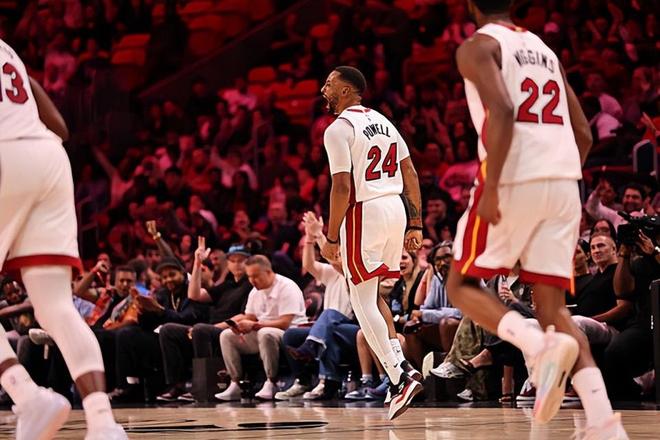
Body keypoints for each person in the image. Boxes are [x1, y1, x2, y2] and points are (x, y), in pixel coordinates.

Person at [445, 2, 627, 438]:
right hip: (564, 181)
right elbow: (583, 133)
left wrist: (493, 187)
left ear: (470, 4)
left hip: (514, 175)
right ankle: (604, 423)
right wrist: (558, 176)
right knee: (554, 310)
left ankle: (534, 344)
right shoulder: (545, 50)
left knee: (461, 283)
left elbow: (503, 111)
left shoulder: (478, 46)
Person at [0, 38, 126, 438]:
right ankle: (103, 423)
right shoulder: (7, 51)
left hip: (4, 154)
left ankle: (28, 397)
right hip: (48, 157)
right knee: (56, 306)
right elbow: (60, 127)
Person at [319, 65, 423, 420]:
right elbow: (410, 173)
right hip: (394, 209)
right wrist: (415, 222)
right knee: (373, 295)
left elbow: (341, 187)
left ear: (346, 90)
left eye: (329, 84)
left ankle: (399, 377)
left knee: (361, 299)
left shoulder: (338, 129)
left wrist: (331, 237)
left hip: (365, 210)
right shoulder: (385, 122)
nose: (323, 89)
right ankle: (400, 370)